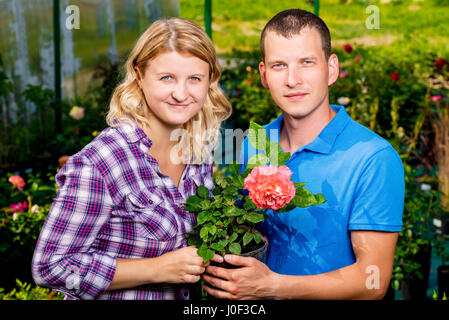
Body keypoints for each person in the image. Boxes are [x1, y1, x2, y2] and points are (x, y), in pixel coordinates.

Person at [201, 9, 404, 300]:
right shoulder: (256, 142)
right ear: (264, 75)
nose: (292, 79)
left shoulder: (373, 158)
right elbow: (247, 229)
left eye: (306, 62)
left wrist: (272, 286)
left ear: (331, 69)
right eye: (279, 65)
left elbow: (373, 281)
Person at [31, 17, 231, 300]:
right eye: (167, 78)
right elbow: (51, 266)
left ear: (210, 80)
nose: (181, 94)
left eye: (195, 79)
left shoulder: (197, 151)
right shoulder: (102, 162)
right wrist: (157, 269)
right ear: (139, 74)